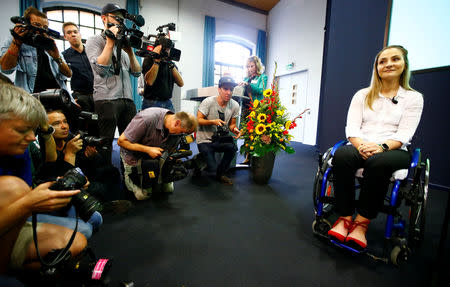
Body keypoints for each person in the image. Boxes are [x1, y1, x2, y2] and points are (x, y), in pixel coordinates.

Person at [327, 45, 424, 249]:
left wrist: (380, 147)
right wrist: (362, 145)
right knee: (342, 155)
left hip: (394, 149)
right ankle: (344, 218)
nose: (388, 64)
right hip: (360, 143)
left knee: (378, 162)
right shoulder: (362, 95)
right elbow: (352, 127)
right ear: (376, 68)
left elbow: (404, 134)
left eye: (395, 59)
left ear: (404, 64)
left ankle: (361, 223)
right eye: (383, 61)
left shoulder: (413, 98)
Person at [0, 83, 87, 275]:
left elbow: (47, 165)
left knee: (80, 241)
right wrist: (27, 204)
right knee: (13, 189)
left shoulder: (20, 152)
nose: (32, 137)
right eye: (22, 130)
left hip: (15, 224)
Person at [85, 3, 141, 163]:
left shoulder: (123, 46)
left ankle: (129, 173)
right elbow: (101, 70)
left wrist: (130, 52)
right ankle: (105, 176)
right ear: (104, 18)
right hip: (106, 99)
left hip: (127, 99)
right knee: (106, 142)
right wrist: (110, 42)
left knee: (129, 140)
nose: (120, 21)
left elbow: (136, 72)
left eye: (122, 19)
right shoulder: (94, 41)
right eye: (116, 18)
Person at [117, 108, 197, 200]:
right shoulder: (145, 119)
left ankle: (155, 177)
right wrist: (148, 150)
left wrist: (173, 159)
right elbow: (121, 142)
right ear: (177, 123)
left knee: (168, 189)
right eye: (182, 132)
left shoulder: (174, 126)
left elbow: (171, 147)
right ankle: (134, 177)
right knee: (142, 196)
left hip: (156, 156)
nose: (181, 134)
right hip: (133, 156)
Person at [0, 7, 73, 94]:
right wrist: (17, 43)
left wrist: (57, 57)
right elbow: (6, 69)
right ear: (26, 24)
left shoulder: (49, 44)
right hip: (31, 98)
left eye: (45, 27)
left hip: (57, 96)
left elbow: (68, 74)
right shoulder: (13, 40)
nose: (41, 30)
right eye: (37, 25)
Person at [196, 76, 242, 185]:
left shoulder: (235, 105)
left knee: (232, 148)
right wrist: (213, 121)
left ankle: (220, 174)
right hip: (204, 140)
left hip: (219, 139)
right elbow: (198, 120)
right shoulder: (208, 102)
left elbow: (232, 125)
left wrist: (235, 130)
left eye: (231, 89)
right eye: (225, 89)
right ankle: (196, 162)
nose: (229, 92)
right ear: (219, 89)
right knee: (211, 168)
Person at [239, 56, 267, 164]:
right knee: (247, 132)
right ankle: (247, 157)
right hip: (246, 108)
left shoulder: (262, 77)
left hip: (256, 109)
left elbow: (261, 91)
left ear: (257, 66)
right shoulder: (246, 79)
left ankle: (256, 157)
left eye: (252, 66)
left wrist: (249, 85)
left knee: (255, 133)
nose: (250, 68)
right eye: (248, 66)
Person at [62, 22, 95, 113]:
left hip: (99, 96)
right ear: (65, 37)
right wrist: (70, 98)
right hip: (80, 98)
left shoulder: (93, 52)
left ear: (79, 34)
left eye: (75, 32)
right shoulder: (64, 56)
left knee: (100, 126)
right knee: (84, 125)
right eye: (69, 33)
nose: (73, 34)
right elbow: (62, 80)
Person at [141, 42, 184, 111]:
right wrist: (157, 61)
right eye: (165, 49)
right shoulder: (149, 60)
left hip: (167, 102)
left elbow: (181, 83)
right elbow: (149, 82)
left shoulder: (171, 64)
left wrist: (170, 63)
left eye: (168, 49)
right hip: (151, 102)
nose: (167, 51)